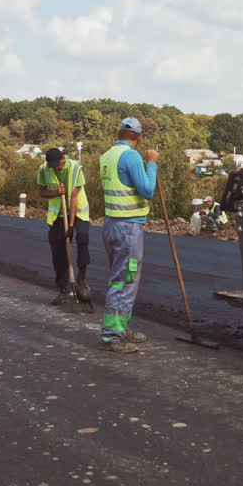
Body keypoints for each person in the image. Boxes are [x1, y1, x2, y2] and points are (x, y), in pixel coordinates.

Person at [97, 117, 159, 353]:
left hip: (112, 223)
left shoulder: (107, 155)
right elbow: (147, 190)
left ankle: (120, 328)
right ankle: (112, 335)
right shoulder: (132, 156)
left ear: (119, 133)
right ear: (139, 137)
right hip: (128, 227)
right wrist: (151, 164)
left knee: (121, 277)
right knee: (124, 279)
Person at [37, 147, 91, 306]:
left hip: (78, 212)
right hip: (57, 216)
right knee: (58, 251)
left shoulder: (75, 169)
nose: (56, 168)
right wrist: (54, 192)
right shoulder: (44, 169)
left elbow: (74, 197)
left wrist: (72, 225)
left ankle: (81, 280)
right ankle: (63, 288)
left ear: (63, 158)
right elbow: (41, 192)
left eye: (58, 164)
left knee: (82, 238)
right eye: (52, 165)